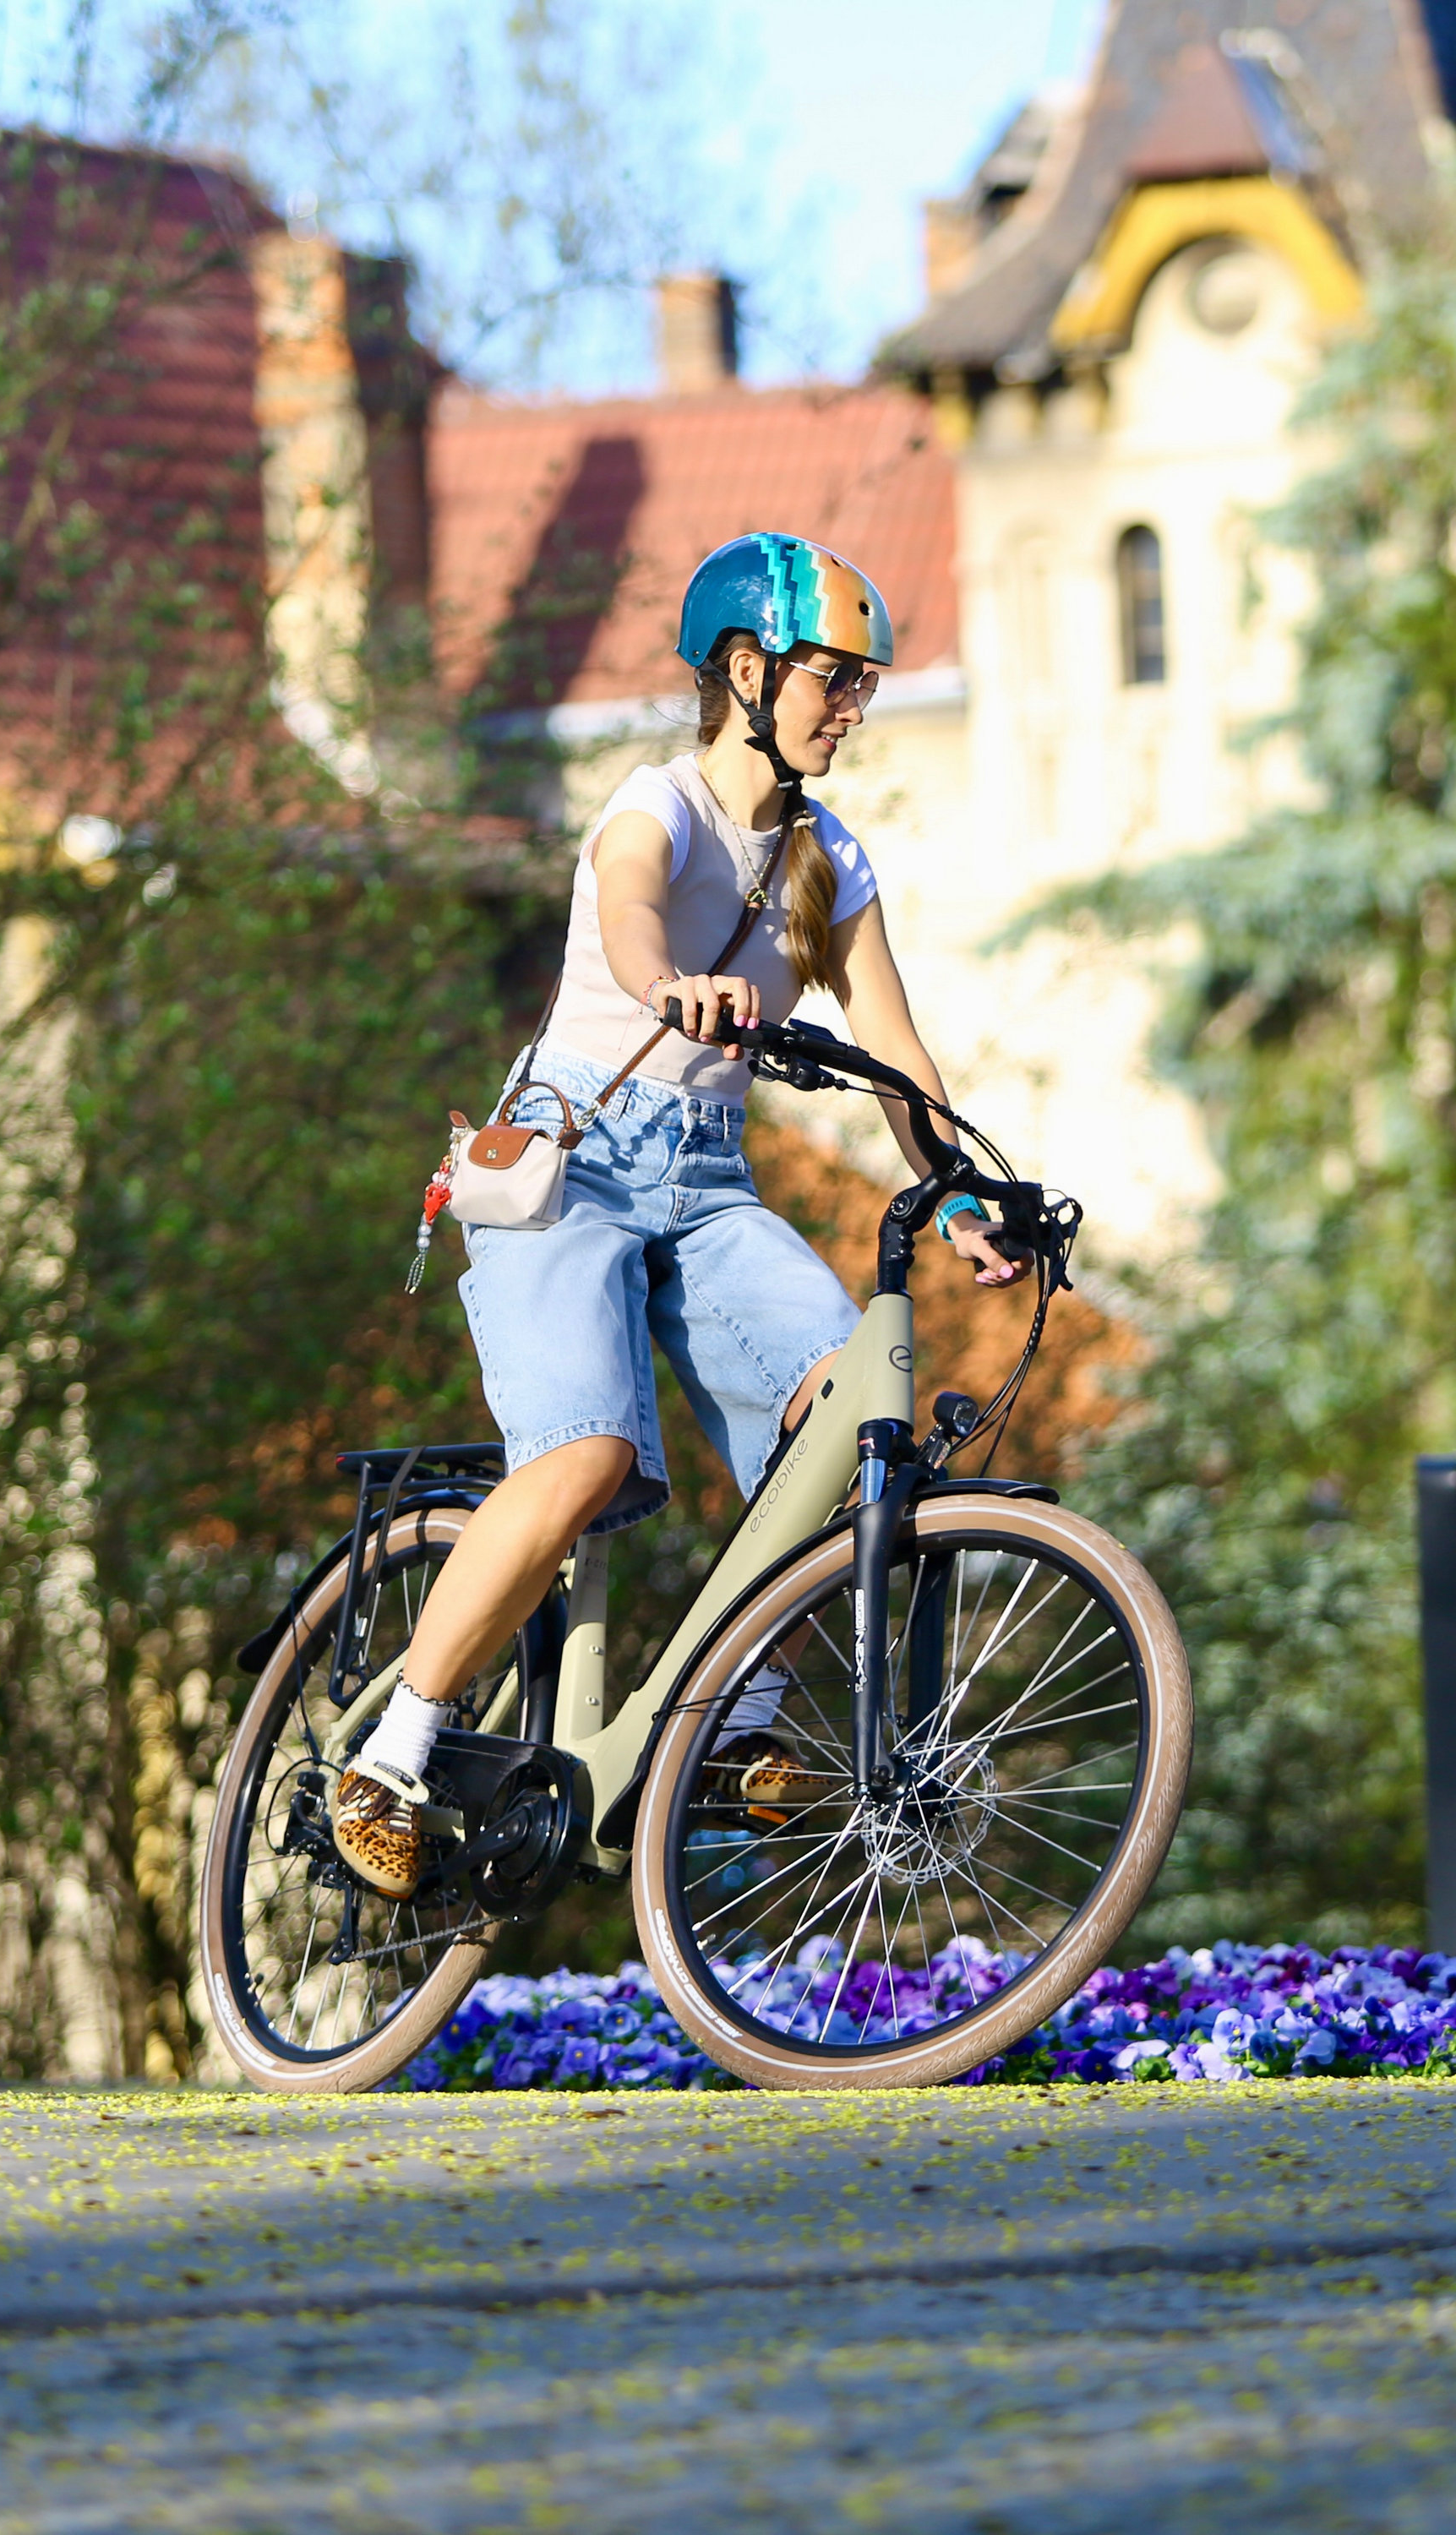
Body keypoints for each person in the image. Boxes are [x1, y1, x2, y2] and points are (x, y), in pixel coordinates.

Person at [333, 532, 1024, 1900]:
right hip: (573, 1164)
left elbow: (894, 1045)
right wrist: (668, 989)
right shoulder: (656, 804)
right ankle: (392, 1752)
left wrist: (956, 1188)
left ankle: (737, 1725)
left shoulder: (829, 858)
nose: (853, 706)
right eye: (834, 678)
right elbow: (633, 914)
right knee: (584, 1457)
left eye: (865, 683)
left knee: (857, 1423)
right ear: (747, 672)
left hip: (707, 1185)